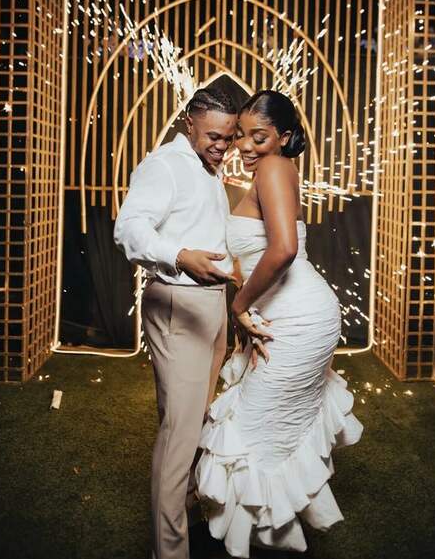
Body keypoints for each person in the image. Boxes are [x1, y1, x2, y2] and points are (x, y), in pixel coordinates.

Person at [196, 90, 364, 557]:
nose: (246, 146)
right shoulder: (277, 169)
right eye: (242, 136)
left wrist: (239, 306)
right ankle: (262, 537)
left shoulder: (273, 167)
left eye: (260, 136)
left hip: (297, 318)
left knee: (254, 429)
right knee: (266, 427)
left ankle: (260, 537)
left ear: (284, 136)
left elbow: (284, 249)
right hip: (288, 315)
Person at [113, 87, 252, 559]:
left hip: (210, 304)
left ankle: (190, 516)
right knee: (180, 434)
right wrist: (178, 255)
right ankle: (168, 553)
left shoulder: (206, 167)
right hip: (178, 300)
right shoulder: (165, 165)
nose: (222, 144)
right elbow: (129, 229)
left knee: (193, 422)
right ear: (189, 122)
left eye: (230, 137)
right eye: (214, 134)